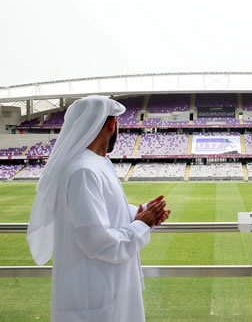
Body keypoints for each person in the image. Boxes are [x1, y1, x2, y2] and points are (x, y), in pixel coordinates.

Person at [27, 95, 171, 322]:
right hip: (95, 299)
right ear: (111, 124)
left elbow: (103, 210)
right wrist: (141, 224)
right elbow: (97, 241)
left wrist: (139, 213)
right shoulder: (84, 170)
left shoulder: (96, 163)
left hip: (108, 291)